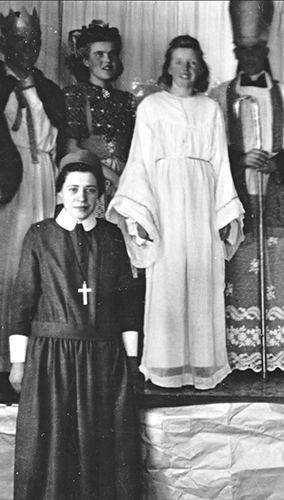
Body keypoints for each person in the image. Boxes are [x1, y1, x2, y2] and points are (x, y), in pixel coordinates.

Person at [107, 35, 244, 390]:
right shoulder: (151, 107)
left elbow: (221, 163)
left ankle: (203, 367)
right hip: (164, 203)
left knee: (203, 277)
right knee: (167, 279)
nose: (186, 68)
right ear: (168, 66)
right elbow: (140, 162)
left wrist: (225, 212)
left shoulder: (210, 109)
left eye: (193, 62)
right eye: (179, 61)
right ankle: (167, 369)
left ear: (201, 69)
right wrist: (140, 215)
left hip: (201, 200)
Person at [8, 150, 142, 499]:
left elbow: (127, 305)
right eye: (73, 189)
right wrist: (19, 362)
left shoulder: (112, 236)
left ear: (100, 195)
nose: (81, 198)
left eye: (91, 190)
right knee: (53, 443)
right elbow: (22, 304)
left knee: (99, 445)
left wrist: (130, 361)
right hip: (51, 360)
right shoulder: (39, 236)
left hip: (104, 358)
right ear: (58, 194)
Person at [210, 0, 284, 373]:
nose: (251, 57)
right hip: (235, 198)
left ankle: (275, 349)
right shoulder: (218, 97)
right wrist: (239, 160)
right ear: (236, 52)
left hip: (273, 194)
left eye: (258, 50)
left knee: (275, 271)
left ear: (266, 51)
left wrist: (276, 163)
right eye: (244, 51)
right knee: (238, 269)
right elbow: (210, 149)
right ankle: (240, 353)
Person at [0, 8, 66, 387]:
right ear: (4, 43)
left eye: (34, 41)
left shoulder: (48, 89)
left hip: (44, 179)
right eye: (19, 40)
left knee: (39, 268)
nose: (27, 48)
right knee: (8, 267)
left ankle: (31, 361)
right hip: (10, 183)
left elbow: (63, 139)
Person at [63, 20, 136, 218]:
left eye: (112, 54)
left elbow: (134, 148)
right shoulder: (75, 94)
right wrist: (112, 176)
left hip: (125, 183)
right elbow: (71, 149)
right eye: (99, 54)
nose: (107, 60)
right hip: (89, 179)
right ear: (86, 60)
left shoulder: (126, 99)